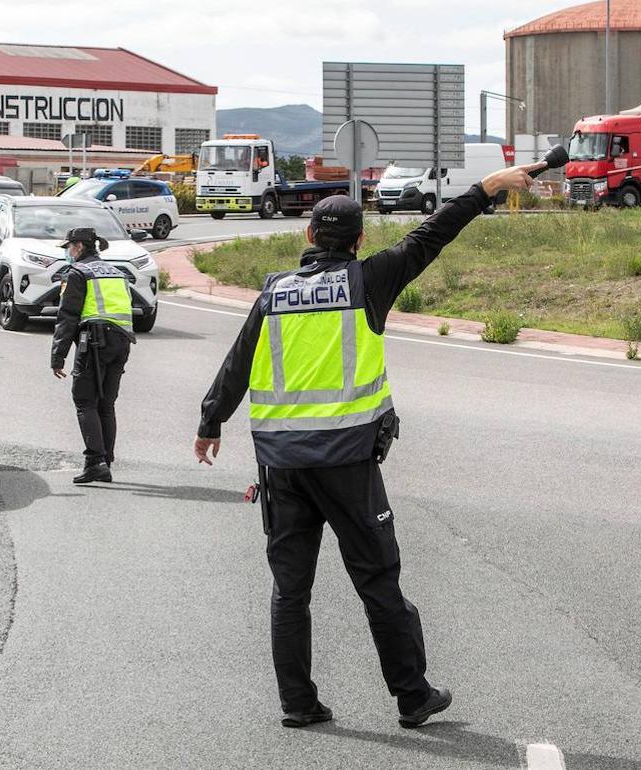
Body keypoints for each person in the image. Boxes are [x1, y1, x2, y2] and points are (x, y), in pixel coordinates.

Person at [192, 157, 555, 729]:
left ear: (309, 236)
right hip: (346, 464)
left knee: (290, 590)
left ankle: (298, 704)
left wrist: (210, 422)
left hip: (282, 466)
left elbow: (238, 361)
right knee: (377, 581)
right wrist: (488, 187)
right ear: (359, 241)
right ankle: (412, 697)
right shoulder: (368, 280)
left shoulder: (273, 294)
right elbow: (432, 234)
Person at [51, 226, 135, 484]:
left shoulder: (77, 273)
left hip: (95, 341)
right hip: (122, 340)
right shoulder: (117, 272)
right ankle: (105, 461)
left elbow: (67, 317)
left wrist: (58, 357)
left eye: (68, 247)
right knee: (106, 404)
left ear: (78, 246)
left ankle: (95, 462)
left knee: (84, 401)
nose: (67, 252)